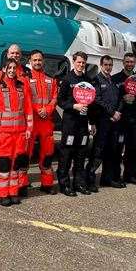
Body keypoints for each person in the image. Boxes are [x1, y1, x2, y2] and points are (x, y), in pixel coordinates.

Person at [0, 58, 33, 206]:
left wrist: (29, 128)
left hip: (19, 133)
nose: (12, 70)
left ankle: (13, 192)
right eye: (9, 68)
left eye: (14, 68)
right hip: (4, 134)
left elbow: (28, 109)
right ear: (5, 69)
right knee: (3, 164)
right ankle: (2, 194)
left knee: (16, 165)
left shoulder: (22, 87)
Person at [57, 51, 96, 196]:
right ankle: (64, 185)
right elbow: (60, 101)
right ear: (74, 62)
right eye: (78, 62)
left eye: (83, 62)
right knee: (66, 156)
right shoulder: (67, 79)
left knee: (81, 156)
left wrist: (92, 123)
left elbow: (91, 104)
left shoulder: (88, 80)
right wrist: (74, 106)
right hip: (70, 124)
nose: (81, 65)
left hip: (83, 125)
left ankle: (79, 183)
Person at [86, 55, 123, 191]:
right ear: (101, 65)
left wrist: (118, 112)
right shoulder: (95, 80)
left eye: (110, 65)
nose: (108, 67)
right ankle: (89, 180)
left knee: (111, 152)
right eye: (106, 65)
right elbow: (98, 100)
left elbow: (119, 99)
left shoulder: (112, 81)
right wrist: (111, 113)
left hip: (114, 122)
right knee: (97, 152)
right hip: (102, 122)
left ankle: (106, 179)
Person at [25, 50, 58, 195]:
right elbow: (26, 98)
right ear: (30, 62)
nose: (37, 62)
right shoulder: (25, 79)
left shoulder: (51, 79)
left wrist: (48, 110)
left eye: (39, 60)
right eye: (34, 60)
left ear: (43, 61)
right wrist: (38, 109)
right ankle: (22, 183)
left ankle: (47, 184)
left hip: (46, 122)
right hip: (31, 122)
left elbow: (54, 98)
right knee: (26, 154)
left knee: (47, 154)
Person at [111, 53, 136, 187]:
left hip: (133, 121)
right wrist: (123, 98)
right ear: (123, 62)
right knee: (117, 150)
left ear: (135, 63)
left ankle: (129, 176)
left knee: (132, 150)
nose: (129, 64)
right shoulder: (115, 79)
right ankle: (116, 177)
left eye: (132, 62)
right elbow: (112, 98)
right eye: (127, 62)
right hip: (120, 121)